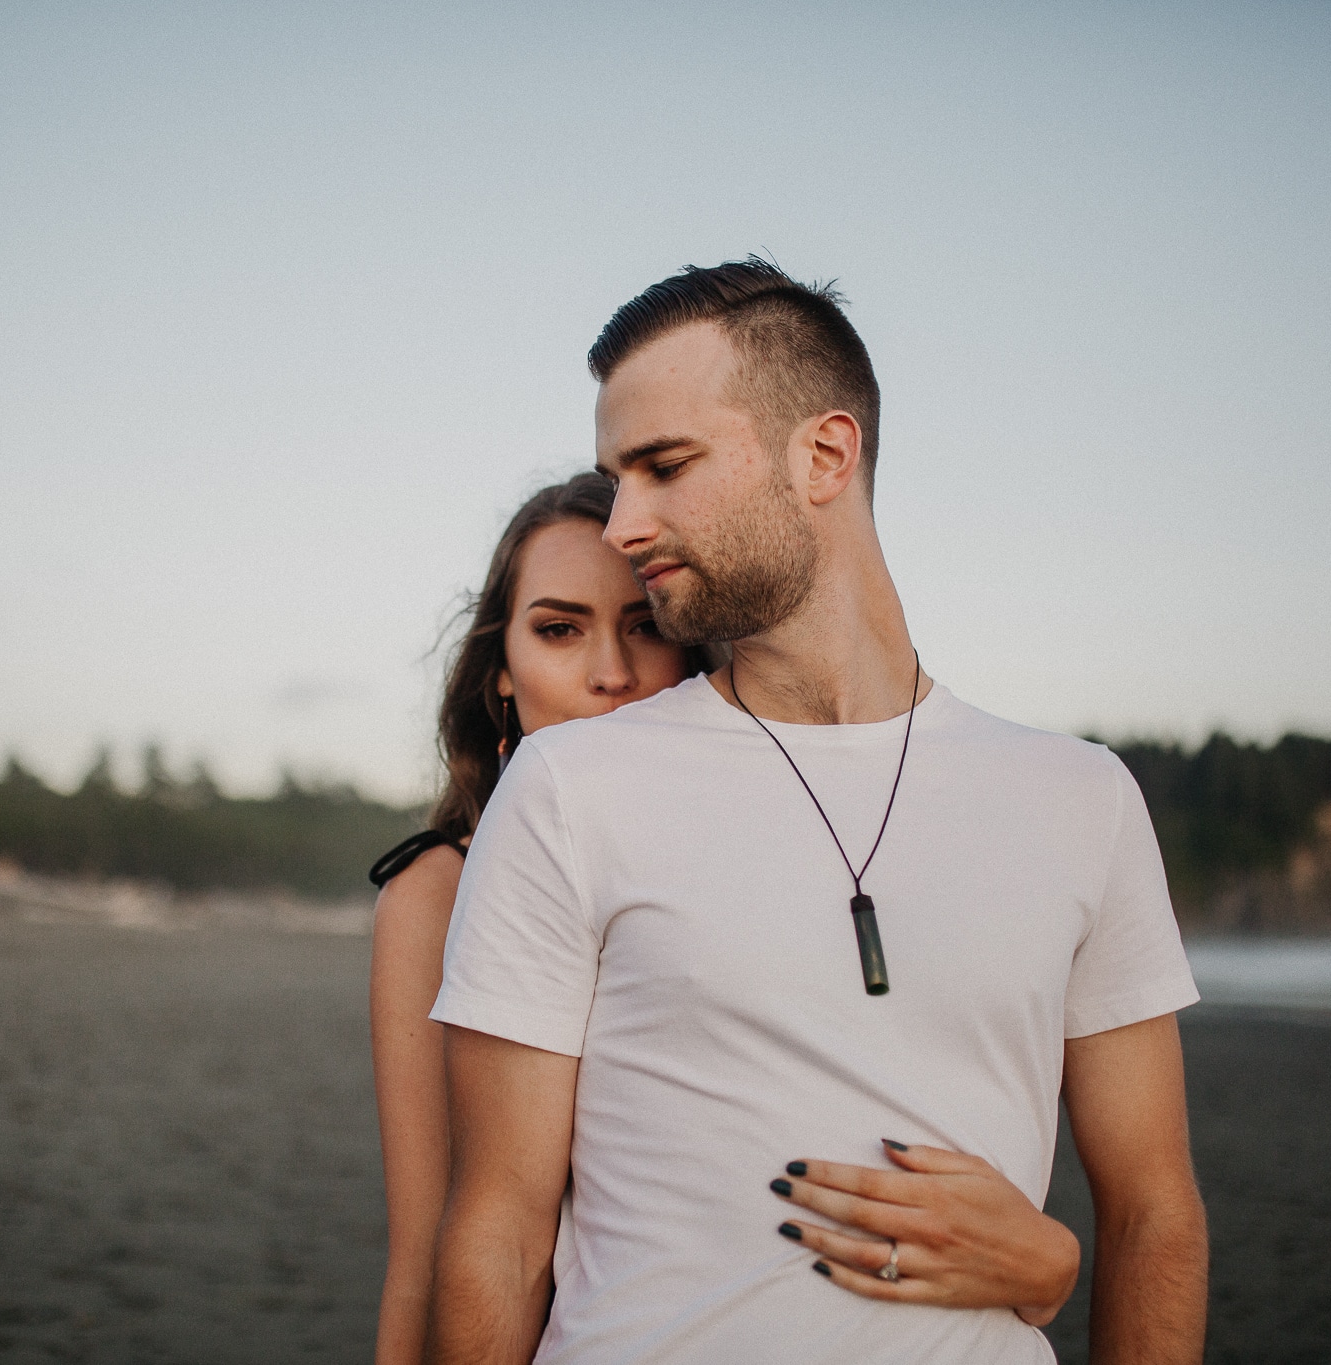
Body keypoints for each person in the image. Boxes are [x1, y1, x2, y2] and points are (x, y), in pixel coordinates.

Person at [427, 260, 1209, 1364]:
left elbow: (1153, 1215)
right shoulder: (568, 792)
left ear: (823, 455)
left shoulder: (1080, 799)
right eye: (617, 477)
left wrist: (1049, 1260)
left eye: (662, 467)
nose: (621, 524)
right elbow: (495, 1235)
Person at [367, 473, 713, 1365]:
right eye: (560, 630)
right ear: (504, 677)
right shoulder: (436, 893)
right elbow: (424, 1251)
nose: (612, 673)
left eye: (646, 626)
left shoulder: (754, 859)